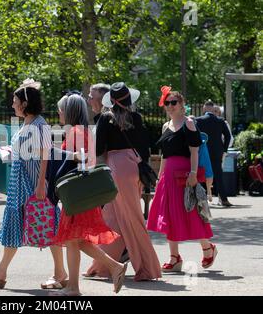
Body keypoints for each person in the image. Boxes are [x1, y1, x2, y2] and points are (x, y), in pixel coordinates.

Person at [0, 79, 66, 290]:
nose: (12, 104)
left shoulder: (39, 124)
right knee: (34, 223)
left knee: (46, 223)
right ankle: (56, 272)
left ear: (24, 104)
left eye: (15, 101)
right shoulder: (29, 123)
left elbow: (46, 154)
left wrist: (41, 183)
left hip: (31, 180)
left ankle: (57, 272)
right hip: (21, 179)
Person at [51, 93, 127, 296]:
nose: (59, 112)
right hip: (82, 194)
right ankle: (113, 268)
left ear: (69, 111)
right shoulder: (81, 131)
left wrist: (56, 152)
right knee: (76, 240)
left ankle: (74, 287)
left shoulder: (76, 131)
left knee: (73, 240)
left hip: (78, 195)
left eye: (61, 108)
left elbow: (82, 159)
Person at [85, 82, 162, 282]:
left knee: (129, 220)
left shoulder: (105, 118)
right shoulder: (136, 118)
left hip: (116, 167)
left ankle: (147, 267)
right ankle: (101, 265)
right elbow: (145, 149)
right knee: (114, 218)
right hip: (133, 167)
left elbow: (99, 148)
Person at [147, 87, 217, 272]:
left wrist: (193, 174)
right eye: (167, 103)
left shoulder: (189, 123)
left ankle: (208, 249)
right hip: (168, 177)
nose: (169, 106)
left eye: (173, 102)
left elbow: (195, 150)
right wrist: (159, 177)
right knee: (170, 215)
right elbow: (164, 156)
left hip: (184, 176)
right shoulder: (165, 126)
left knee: (192, 212)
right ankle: (174, 257)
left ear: (181, 104)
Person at [196, 101, 232, 207]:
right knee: (218, 175)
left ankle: (201, 199)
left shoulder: (198, 120)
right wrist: (224, 149)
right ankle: (224, 199)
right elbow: (228, 136)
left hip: (203, 151)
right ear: (212, 109)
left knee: (201, 174)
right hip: (217, 152)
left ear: (204, 109)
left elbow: (195, 135)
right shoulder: (220, 121)